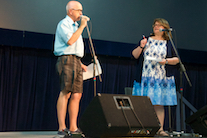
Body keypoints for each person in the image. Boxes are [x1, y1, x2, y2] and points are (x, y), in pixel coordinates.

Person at [132, 18, 179, 136]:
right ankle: (142, 127)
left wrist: (166, 61)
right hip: (145, 77)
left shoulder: (168, 43)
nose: (156, 27)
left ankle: (160, 129)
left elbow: (177, 59)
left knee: (159, 104)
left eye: (159, 25)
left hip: (161, 78)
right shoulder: (146, 40)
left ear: (165, 28)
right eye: (155, 25)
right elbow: (135, 55)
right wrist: (141, 47)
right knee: (143, 103)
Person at [54, 1, 88, 137]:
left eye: (81, 10)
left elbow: (74, 49)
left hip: (75, 60)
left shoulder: (75, 26)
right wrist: (82, 27)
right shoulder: (64, 24)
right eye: (78, 10)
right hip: (66, 59)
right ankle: (62, 127)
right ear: (70, 11)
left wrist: (80, 63)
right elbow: (70, 41)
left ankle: (73, 127)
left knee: (77, 94)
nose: (81, 13)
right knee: (66, 92)